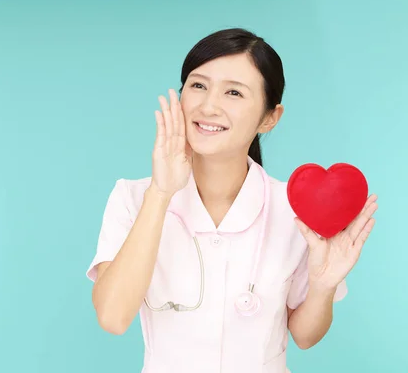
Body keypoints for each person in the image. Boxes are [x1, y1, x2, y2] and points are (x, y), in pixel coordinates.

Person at [85, 28, 378, 373]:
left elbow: (305, 335)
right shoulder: (133, 198)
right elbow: (113, 317)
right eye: (198, 86)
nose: (209, 106)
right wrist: (161, 193)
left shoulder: (294, 208)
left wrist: (323, 286)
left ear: (270, 117)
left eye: (234, 92)